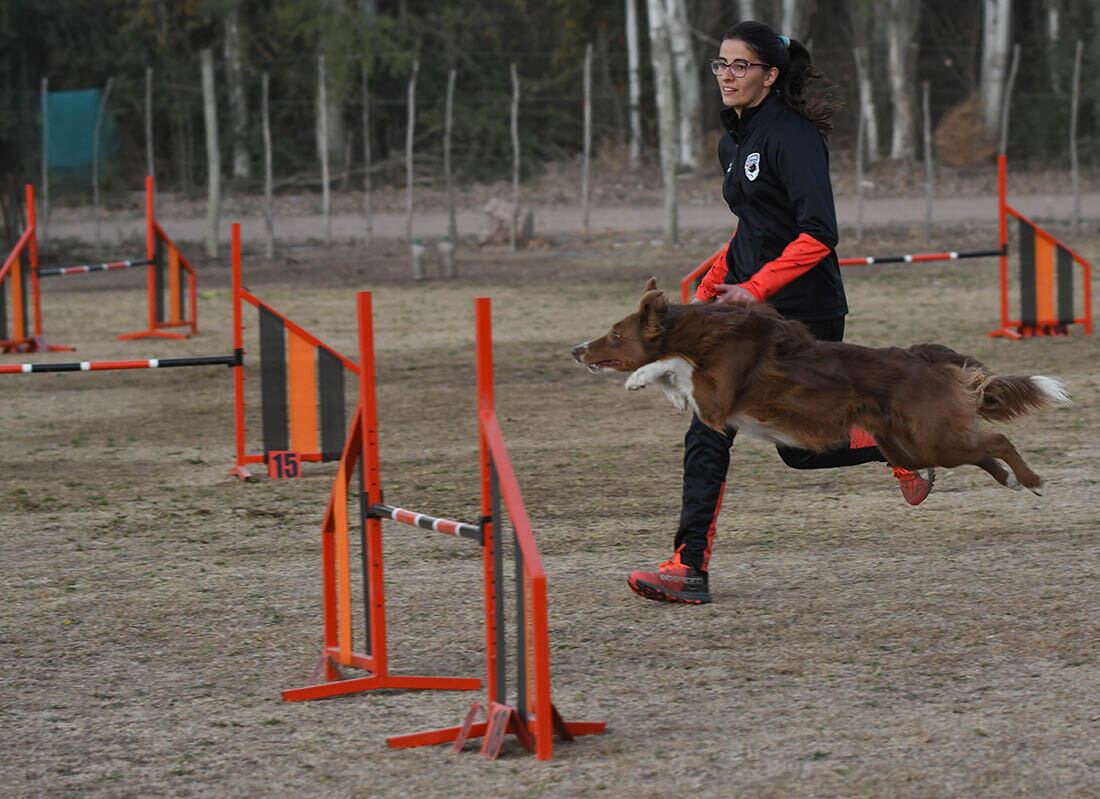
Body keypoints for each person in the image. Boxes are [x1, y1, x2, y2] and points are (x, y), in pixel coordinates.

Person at [627, 20, 934, 606]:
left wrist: (757, 287)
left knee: (722, 428)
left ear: (770, 75)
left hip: (802, 313)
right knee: (789, 447)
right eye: (720, 64)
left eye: (740, 66)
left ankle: (688, 569)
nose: (727, 75)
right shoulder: (733, 140)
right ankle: (901, 442)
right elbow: (756, 226)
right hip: (749, 311)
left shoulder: (791, 137)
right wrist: (716, 279)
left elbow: (820, 233)